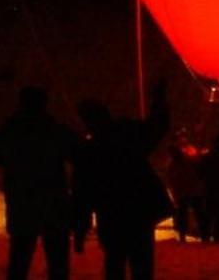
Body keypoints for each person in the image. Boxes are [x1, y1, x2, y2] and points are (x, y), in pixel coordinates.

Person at [73, 81, 172, 280]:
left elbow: (82, 193)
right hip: (139, 211)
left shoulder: (90, 151)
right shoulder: (128, 135)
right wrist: (159, 101)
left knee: (114, 263)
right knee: (141, 265)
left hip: (111, 215)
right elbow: (157, 127)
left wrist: (80, 227)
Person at [0, 86, 77, 280]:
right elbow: (76, 152)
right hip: (52, 204)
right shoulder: (52, 129)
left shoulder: (12, 130)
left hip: (22, 203)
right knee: (57, 262)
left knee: (20, 260)